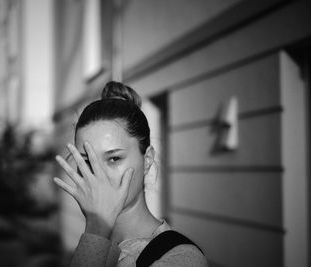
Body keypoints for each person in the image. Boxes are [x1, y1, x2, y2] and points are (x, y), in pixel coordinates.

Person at [53, 81, 208, 267]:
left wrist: (96, 229)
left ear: (147, 160)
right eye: (86, 161)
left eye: (114, 158)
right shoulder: (93, 243)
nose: (98, 174)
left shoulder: (182, 258)